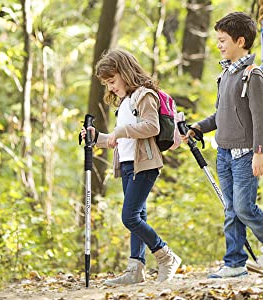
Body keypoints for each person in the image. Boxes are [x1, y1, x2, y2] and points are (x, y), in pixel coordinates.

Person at [81, 49, 181, 285]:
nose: (111, 87)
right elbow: (119, 138)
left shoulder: (145, 96)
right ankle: (136, 268)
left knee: (130, 217)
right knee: (139, 214)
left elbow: (151, 127)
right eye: (107, 83)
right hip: (127, 165)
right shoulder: (125, 102)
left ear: (125, 73)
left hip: (145, 164)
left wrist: (120, 131)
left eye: (112, 81)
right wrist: (97, 137)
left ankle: (166, 256)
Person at [182, 12, 263, 278]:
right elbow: (221, 115)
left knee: (244, 208)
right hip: (224, 154)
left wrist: (259, 153)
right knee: (231, 210)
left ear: (241, 41)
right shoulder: (225, 74)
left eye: (223, 40)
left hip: (245, 154)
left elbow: (260, 119)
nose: (218, 45)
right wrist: (198, 128)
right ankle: (235, 264)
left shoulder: (253, 76)